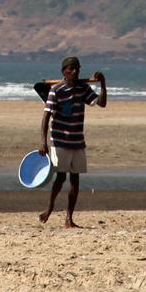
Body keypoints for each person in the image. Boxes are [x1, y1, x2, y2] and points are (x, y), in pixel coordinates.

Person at [37, 56, 108, 229]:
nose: (75, 71)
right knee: (60, 178)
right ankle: (50, 207)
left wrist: (103, 84)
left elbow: (102, 103)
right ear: (64, 71)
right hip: (60, 140)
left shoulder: (83, 89)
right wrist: (43, 142)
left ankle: (69, 218)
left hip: (77, 141)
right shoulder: (56, 90)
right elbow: (46, 117)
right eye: (72, 69)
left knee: (75, 180)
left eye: (77, 68)